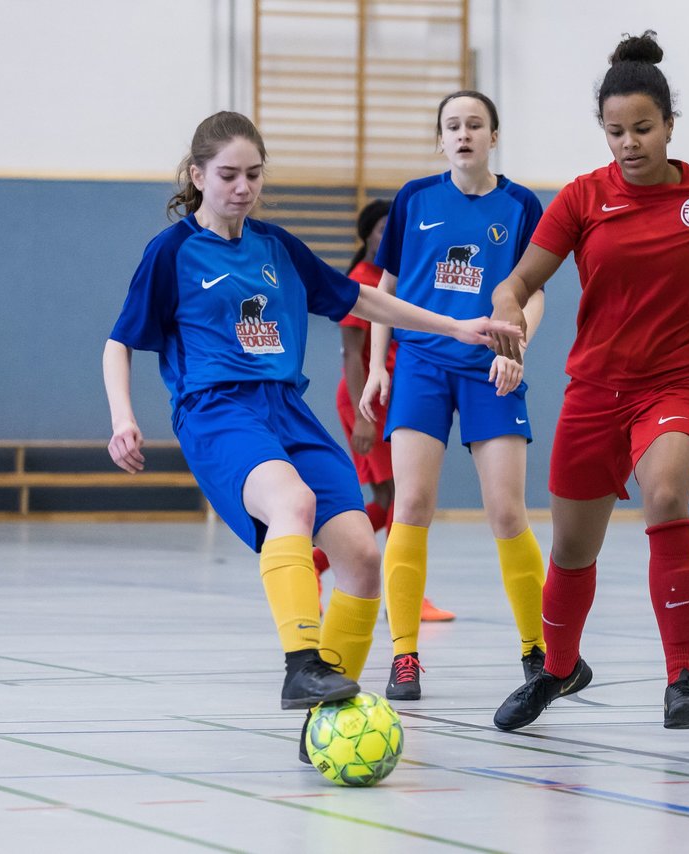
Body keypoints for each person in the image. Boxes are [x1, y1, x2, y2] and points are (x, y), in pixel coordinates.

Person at [102, 112, 520, 752]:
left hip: (287, 410)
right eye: (227, 175)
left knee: (362, 556)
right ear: (197, 176)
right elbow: (119, 343)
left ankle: (324, 722)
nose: (242, 187)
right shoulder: (173, 251)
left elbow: (362, 300)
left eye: (252, 174)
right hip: (216, 411)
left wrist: (453, 326)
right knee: (291, 504)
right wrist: (124, 418)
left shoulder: (276, 246)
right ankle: (302, 666)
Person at [487, 32, 689, 731]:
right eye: (615, 132)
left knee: (666, 495)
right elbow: (519, 280)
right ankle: (559, 668)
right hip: (593, 392)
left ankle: (682, 680)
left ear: (669, 124)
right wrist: (506, 307)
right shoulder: (580, 199)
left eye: (642, 128)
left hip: (673, 386)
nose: (629, 144)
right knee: (573, 550)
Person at [359, 90, 548, 701]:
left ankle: (538, 650)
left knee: (507, 511)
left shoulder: (521, 205)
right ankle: (405, 655)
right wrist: (376, 366)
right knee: (411, 504)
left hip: (490, 367)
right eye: (452, 126)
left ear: (494, 135)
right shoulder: (415, 199)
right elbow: (385, 289)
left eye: (475, 124)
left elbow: (533, 292)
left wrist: (513, 349)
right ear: (439, 138)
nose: (463, 134)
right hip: (419, 364)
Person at [310, 198, 456, 624]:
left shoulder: (402, 277)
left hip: (397, 396)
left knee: (391, 497)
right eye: (379, 229)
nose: (386, 235)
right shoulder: (361, 279)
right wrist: (362, 416)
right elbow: (352, 355)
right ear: (368, 234)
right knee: (397, 496)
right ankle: (404, 594)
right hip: (366, 398)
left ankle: (317, 565)